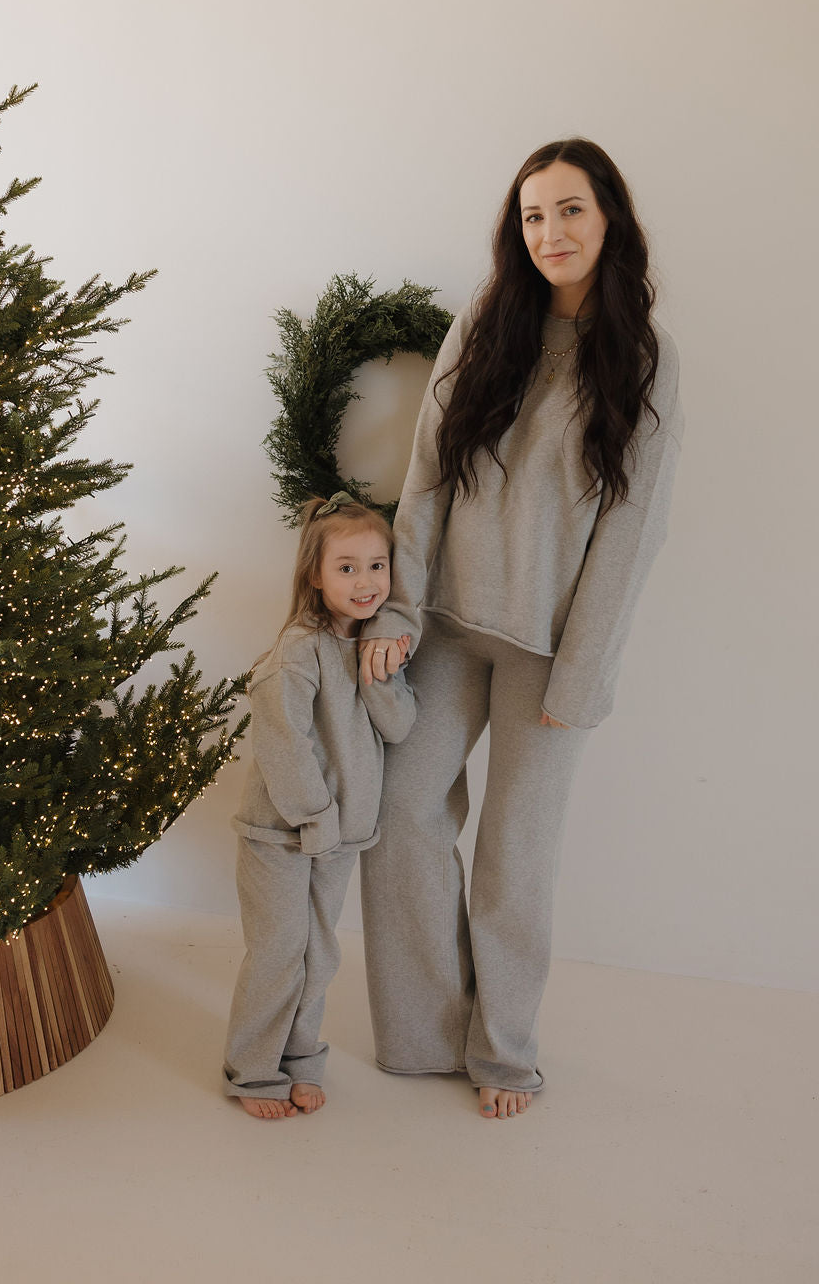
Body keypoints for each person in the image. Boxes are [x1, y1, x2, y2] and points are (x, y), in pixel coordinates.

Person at [358, 138, 683, 1121]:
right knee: (400, 816)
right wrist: (400, 608)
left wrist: (582, 673)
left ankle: (503, 1050)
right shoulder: (485, 323)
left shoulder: (644, 358)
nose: (551, 232)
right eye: (534, 215)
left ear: (609, 217)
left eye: (570, 210)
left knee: (513, 855)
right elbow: (426, 478)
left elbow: (632, 530)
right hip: (449, 626)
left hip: (549, 652)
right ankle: (425, 1035)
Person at [223, 492, 416, 1119]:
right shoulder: (296, 654)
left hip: (342, 838)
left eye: (377, 565)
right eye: (347, 567)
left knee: (319, 955)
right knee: (279, 953)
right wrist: (316, 818)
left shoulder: (372, 648)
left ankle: (301, 1061)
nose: (366, 582)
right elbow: (284, 746)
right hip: (281, 834)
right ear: (315, 575)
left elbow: (400, 727)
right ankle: (255, 1072)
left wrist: (379, 669)